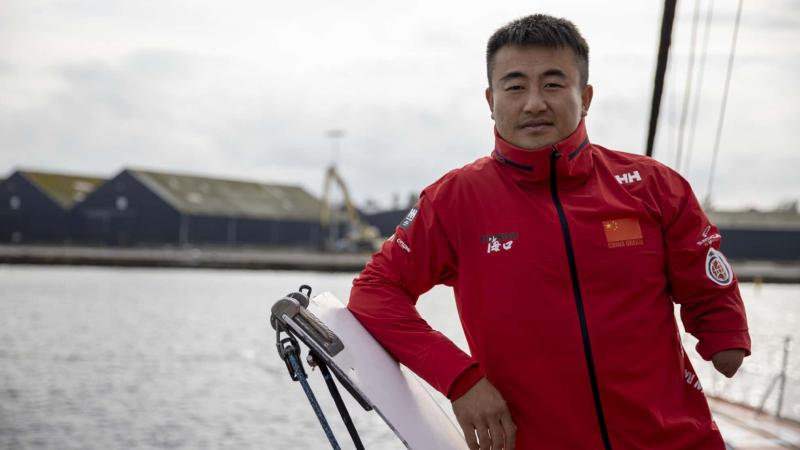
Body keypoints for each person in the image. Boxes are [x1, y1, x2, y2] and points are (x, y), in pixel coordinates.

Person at [348, 14, 750, 450]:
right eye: (515, 86)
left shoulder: (654, 185)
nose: (534, 103)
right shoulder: (455, 200)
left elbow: (706, 278)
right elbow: (375, 292)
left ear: (586, 96)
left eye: (554, 84)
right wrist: (460, 379)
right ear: (491, 98)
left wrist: (724, 333)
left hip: (676, 440)